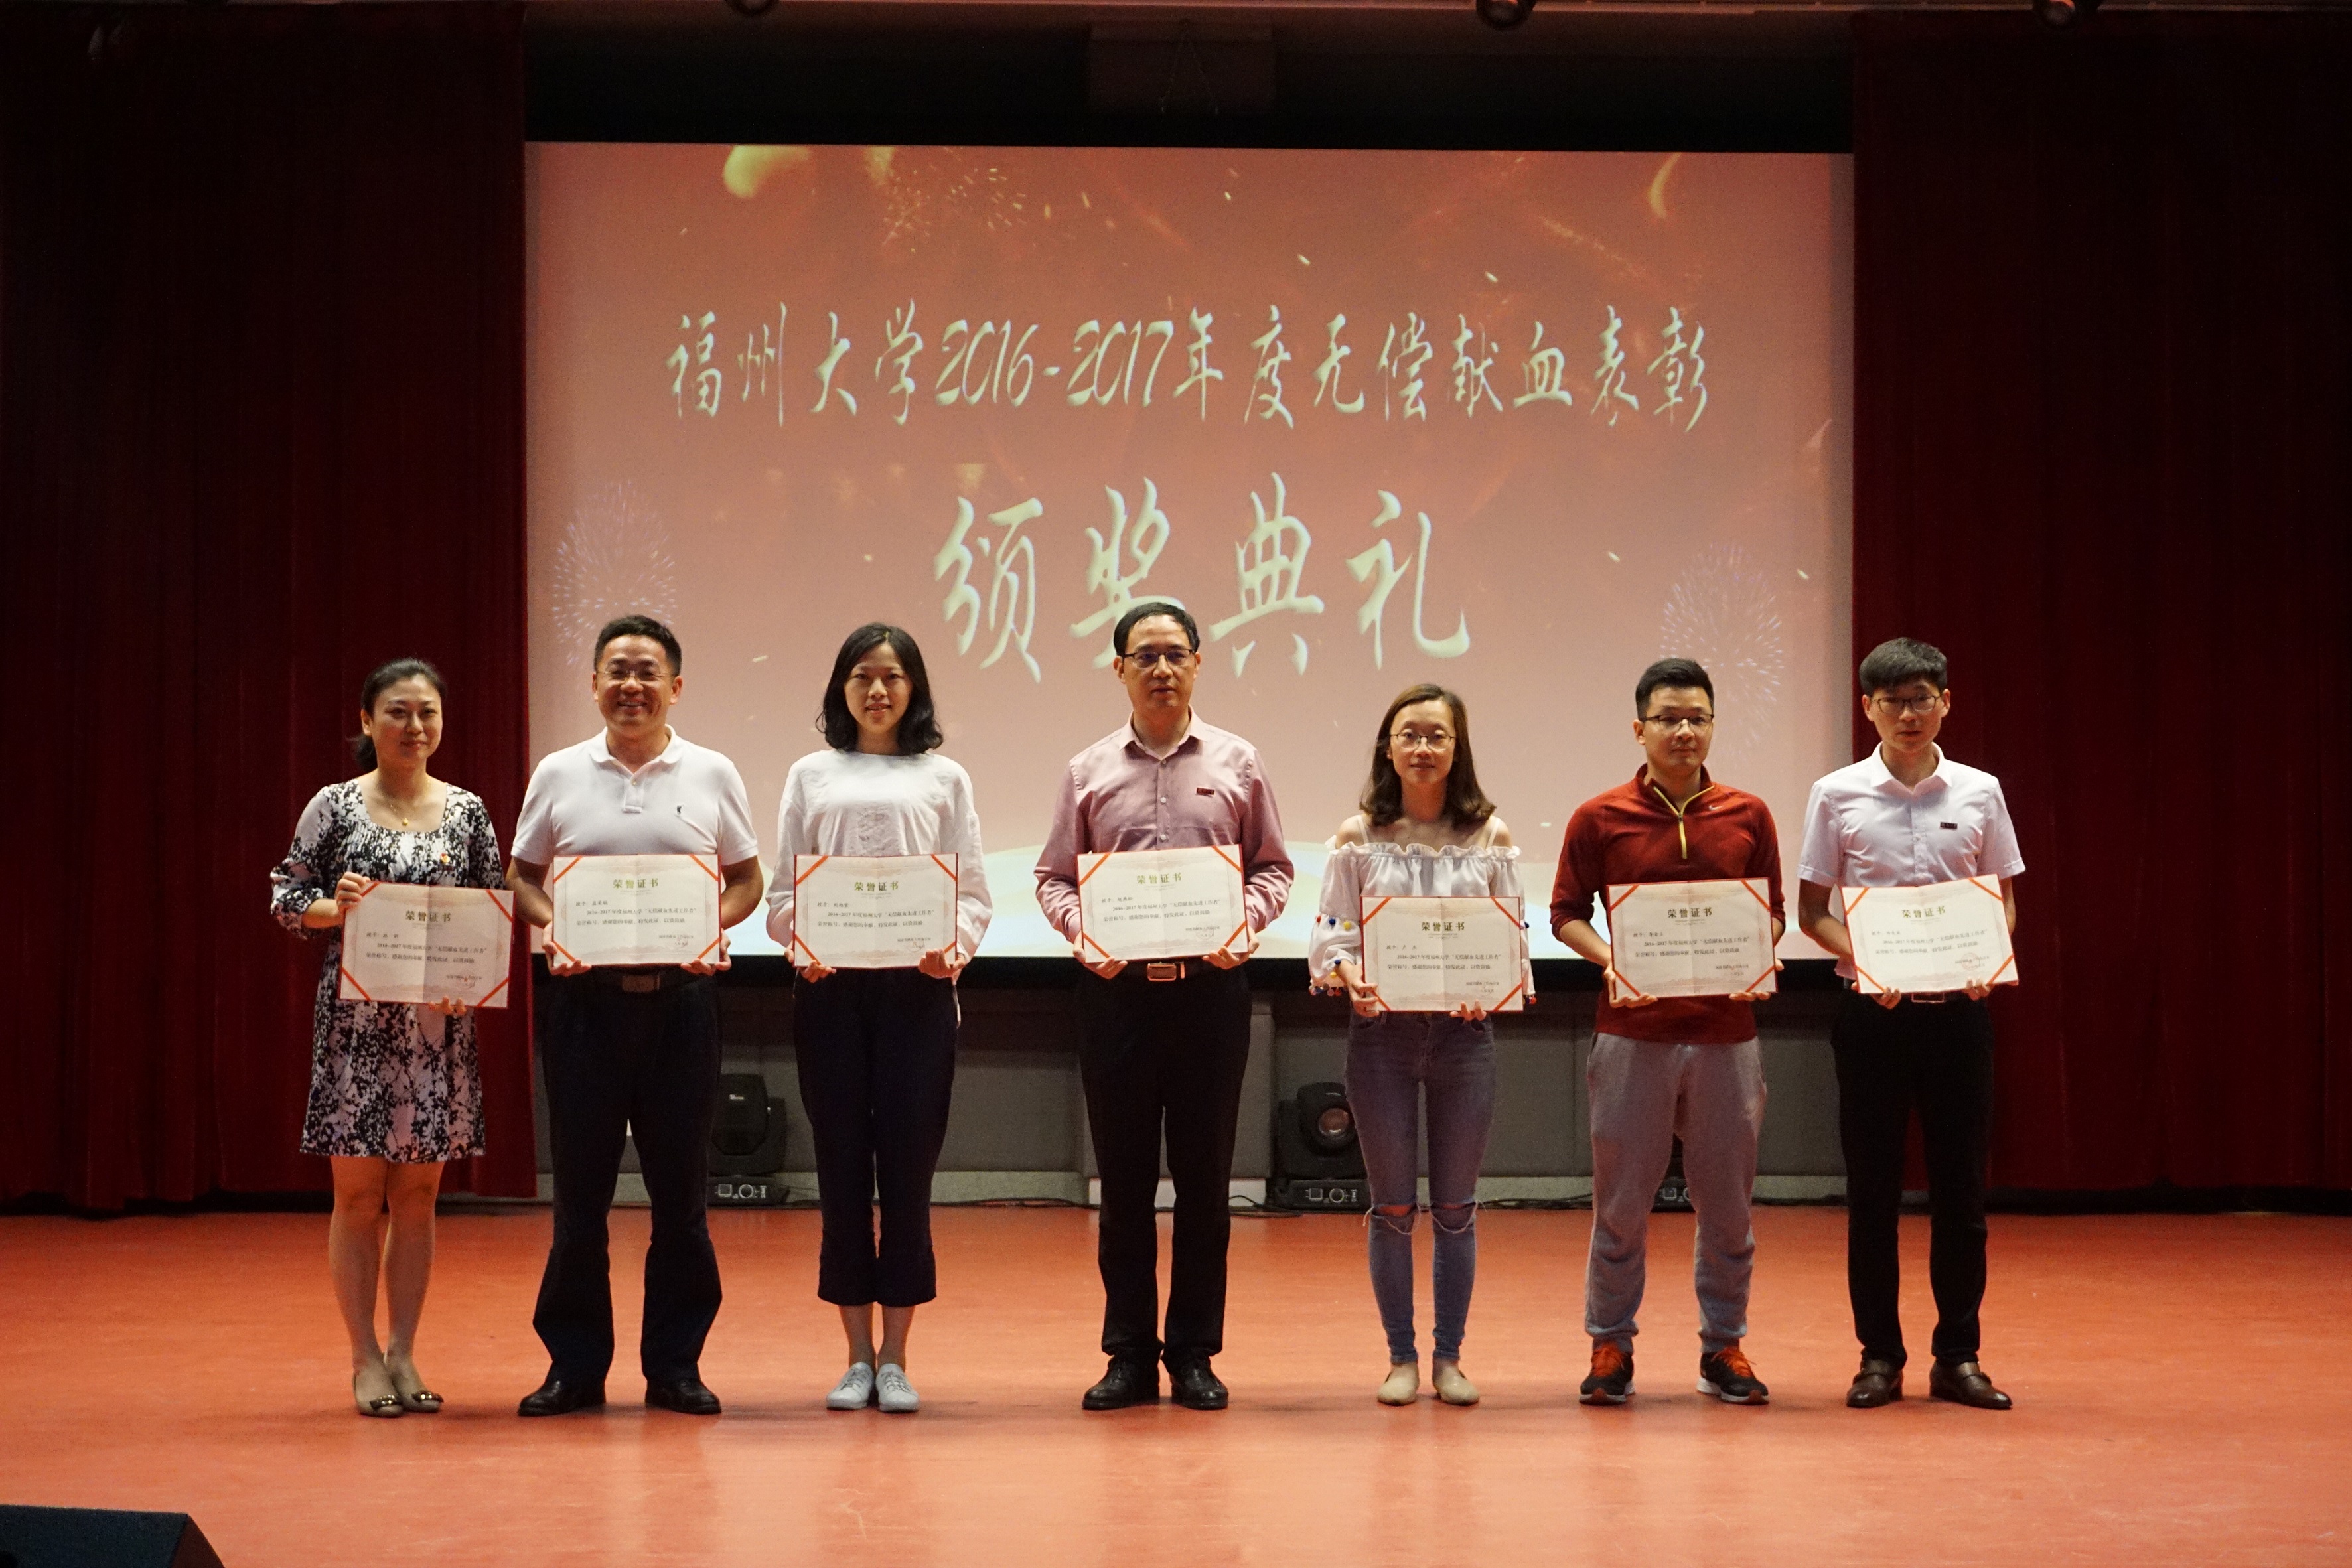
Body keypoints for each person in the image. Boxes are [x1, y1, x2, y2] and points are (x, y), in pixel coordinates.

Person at [1035, 601, 1293, 1412]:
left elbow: (1273, 868)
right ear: (1118, 669)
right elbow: (1053, 878)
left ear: (1198, 663)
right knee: (1122, 1186)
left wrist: (1243, 922)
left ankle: (1192, 1354)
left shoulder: (1238, 761)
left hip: (1209, 993)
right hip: (1115, 996)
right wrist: (1084, 932)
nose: (1161, 668)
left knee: (1206, 1184)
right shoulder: (1086, 770)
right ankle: (1127, 1355)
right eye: (1143, 655)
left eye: (1175, 653)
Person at [506, 614, 764, 1418]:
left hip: (681, 1006)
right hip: (583, 1009)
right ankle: (574, 1368)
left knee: (681, 1199)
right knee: (579, 1199)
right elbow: (522, 875)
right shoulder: (558, 771)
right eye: (617, 670)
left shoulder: (713, 771)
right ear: (593, 682)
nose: (632, 685)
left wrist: (708, 927)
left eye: (648, 671)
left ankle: (675, 1367)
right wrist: (557, 926)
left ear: (675, 687)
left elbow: (748, 879)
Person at [269, 658, 506, 1419]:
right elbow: (286, 896)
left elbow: (493, 907)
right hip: (357, 1028)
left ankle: (404, 1350)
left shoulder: (467, 811)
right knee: (357, 1192)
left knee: (419, 1194)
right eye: (398, 711)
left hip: (437, 1027)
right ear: (367, 721)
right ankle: (363, 1357)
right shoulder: (335, 805)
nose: (414, 726)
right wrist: (331, 909)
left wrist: (474, 979)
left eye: (427, 712)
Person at [767, 624, 992, 1416]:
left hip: (916, 997)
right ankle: (854, 1355)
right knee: (839, 1172)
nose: (877, 690)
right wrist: (801, 942)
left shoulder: (945, 778)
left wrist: (949, 948)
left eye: (892, 676)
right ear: (842, 687)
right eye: (862, 675)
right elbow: (784, 894)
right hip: (830, 994)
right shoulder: (810, 774)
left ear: (913, 688)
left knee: (906, 1175)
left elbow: (971, 894)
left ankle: (897, 1357)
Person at [1795, 636, 2024, 1411]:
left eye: (1921, 697)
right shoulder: (1835, 793)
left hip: (1960, 1017)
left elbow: (2002, 900)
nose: (1907, 713)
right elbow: (1813, 911)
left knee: (1962, 1194)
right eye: (1891, 700)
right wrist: (1869, 960)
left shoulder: (1981, 791)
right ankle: (1878, 1356)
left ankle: (1958, 1355)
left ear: (1945, 702)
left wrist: (1986, 954)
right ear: (1867, 707)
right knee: (1872, 1193)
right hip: (1874, 1017)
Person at [1550, 657, 1784, 1407]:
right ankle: (1610, 1344)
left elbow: (1773, 914)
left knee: (1728, 1207)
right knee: (1621, 1204)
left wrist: (1757, 948)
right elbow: (1565, 914)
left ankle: (1725, 1346)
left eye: (1697, 718)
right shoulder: (1598, 816)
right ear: (1639, 727)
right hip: (1632, 1033)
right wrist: (1613, 959)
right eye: (1668, 718)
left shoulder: (1750, 814)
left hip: (1726, 1034)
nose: (1684, 731)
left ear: (1712, 725)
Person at [1310, 684, 1528, 1408]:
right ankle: (1400, 1356)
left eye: (1438, 735)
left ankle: (1449, 1358)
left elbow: (1511, 942)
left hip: (1465, 1037)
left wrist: (1491, 984)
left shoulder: (1490, 835)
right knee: (1394, 1206)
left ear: (1457, 748)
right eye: (1410, 734)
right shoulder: (1358, 834)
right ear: (1389, 746)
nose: (1424, 747)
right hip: (1381, 1037)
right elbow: (1332, 932)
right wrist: (1348, 972)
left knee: (1457, 1207)